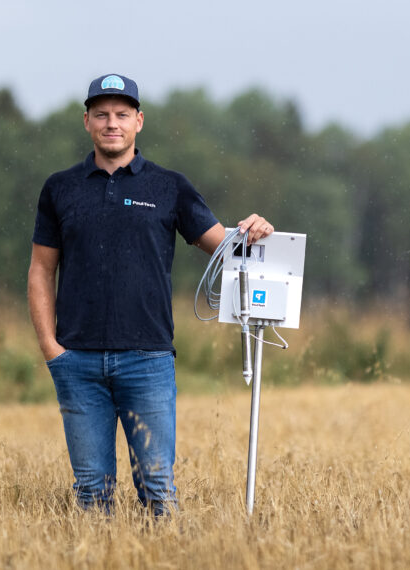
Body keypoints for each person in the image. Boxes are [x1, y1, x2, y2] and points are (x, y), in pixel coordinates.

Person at [27, 73, 273, 516]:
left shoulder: (169, 187)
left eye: (122, 114)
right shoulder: (59, 188)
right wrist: (51, 349)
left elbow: (227, 250)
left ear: (139, 121)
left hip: (149, 360)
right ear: (86, 122)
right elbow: (41, 270)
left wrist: (255, 231)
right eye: (101, 115)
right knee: (90, 494)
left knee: (157, 489)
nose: (111, 124)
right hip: (77, 362)